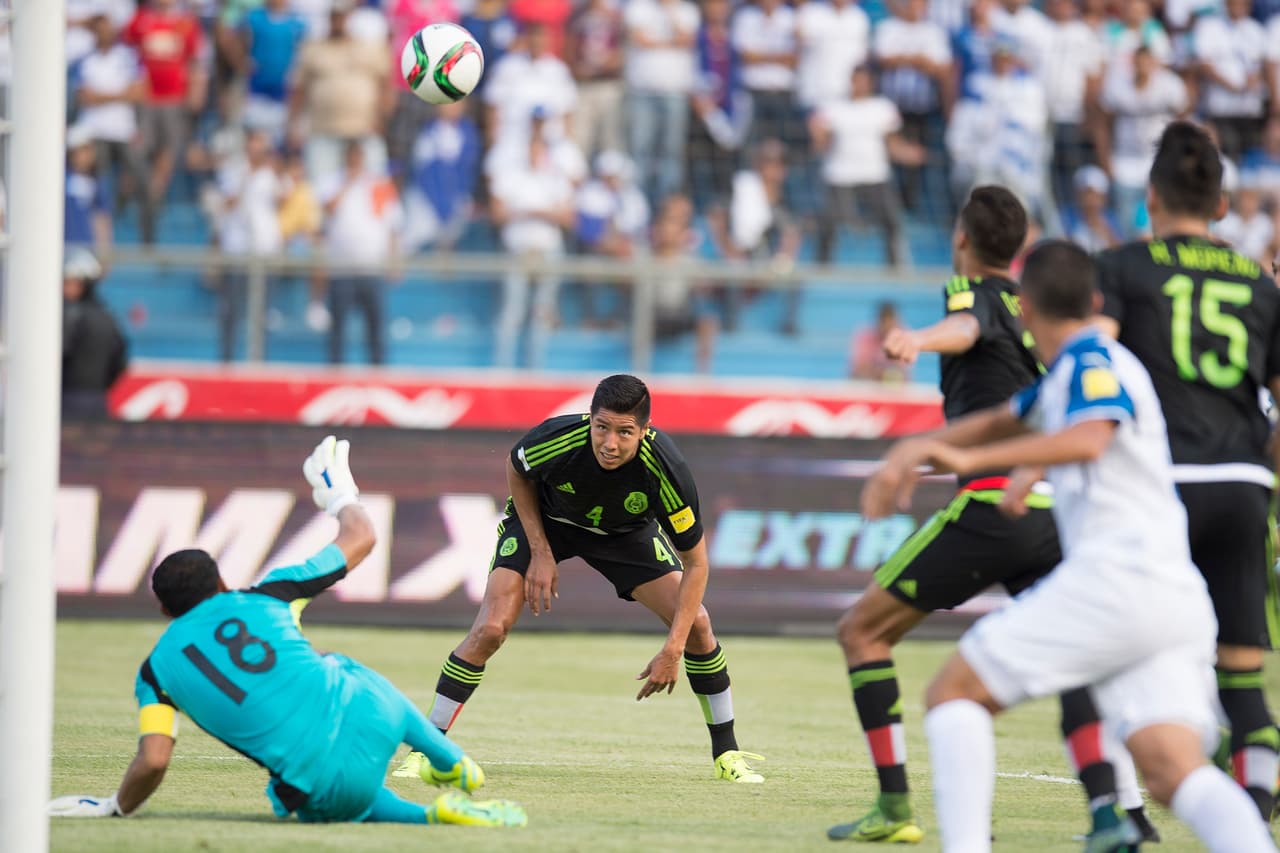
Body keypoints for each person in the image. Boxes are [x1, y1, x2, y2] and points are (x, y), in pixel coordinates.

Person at [863, 240, 1276, 853]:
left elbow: (1086, 439)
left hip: (1120, 580)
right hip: (1171, 594)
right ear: (1097, 301)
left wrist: (966, 458)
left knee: (953, 694)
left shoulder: (1090, 360)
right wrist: (921, 447)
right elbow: (1010, 416)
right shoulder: (1074, 369)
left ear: (1023, 308)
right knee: (1171, 768)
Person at [825, 186, 1155, 845]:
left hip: (993, 507)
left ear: (961, 242)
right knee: (1081, 665)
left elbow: (968, 324)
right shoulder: (1046, 314)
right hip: (1056, 510)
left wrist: (917, 338)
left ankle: (894, 806)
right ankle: (1111, 810)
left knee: (862, 631)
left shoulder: (976, 292)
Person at [49, 437, 527, 829]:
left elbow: (153, 760)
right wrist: (339, 495)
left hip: (321, 783)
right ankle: (446, 756)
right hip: (375, 717)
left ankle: (426, 818)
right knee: (343, 666)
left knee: (314, 794)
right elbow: (360, 539)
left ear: (163, 610)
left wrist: (116, 805)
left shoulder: (155, 674)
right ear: (221, 583)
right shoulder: (267, 597)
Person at [393, 375, 765, 784]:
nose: (610, 443)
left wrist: (672, 650)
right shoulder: (560, 438)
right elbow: (517, 469)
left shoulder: (667, 469)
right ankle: (426, 750)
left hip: (625, 536)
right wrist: (539, 550)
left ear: (644, 430)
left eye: (625, 432)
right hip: (547, 523)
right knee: (490, 629)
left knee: (697, 625)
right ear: (589, 418)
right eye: (602, 427)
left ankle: (727, 754)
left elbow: (697, 564)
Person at [1095, 120, 1280, 822]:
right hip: (1242, 486)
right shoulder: (1262, 286)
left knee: (1112, 653)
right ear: (1224, 207)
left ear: (1150, 197)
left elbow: (1094, 365)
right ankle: (1254, 814)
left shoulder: (1122, 268)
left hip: (1158, 487)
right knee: (1242, 672)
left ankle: (1121, 813)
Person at [62, 248, 128, 421]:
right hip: (97, 402)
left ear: (86, 284)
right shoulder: (107, 316)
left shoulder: (68, 316)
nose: (66, 288)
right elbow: (121, 361)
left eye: (72, 282)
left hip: (68, 401)